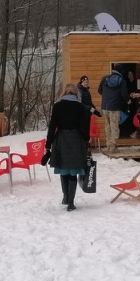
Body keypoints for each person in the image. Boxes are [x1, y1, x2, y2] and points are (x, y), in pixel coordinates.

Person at [45, 83, 90, 211]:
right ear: (76, 93)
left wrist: (48, 144)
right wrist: (86, 139)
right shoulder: (80, 107)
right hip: (76, 140)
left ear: (64, 93)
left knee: (63, 168)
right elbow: (84, 127)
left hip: (61, 139)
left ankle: (65, 196)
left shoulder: (57, 106)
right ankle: (71, 203)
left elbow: (52, 126)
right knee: (73, 171)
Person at [97, 64, 129, 154]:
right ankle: (112, 147)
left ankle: (108, 146)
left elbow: (99, 90)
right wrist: (127, 100)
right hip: (115, 106)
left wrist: (107, 96)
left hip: (105, 106)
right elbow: (124, 94)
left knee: (107, 126)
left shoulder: (105, 78)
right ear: (121, 71)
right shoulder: (121, 80)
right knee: (114, 127)